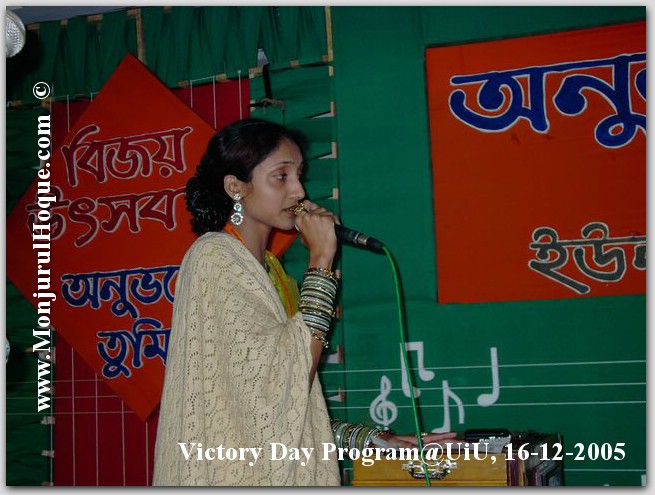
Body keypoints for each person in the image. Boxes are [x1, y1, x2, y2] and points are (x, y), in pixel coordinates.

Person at [153, 118, 456, 486]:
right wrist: (322, 260)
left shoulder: (272, 272)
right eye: (281, 176)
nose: (299, 190)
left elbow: (284, 405)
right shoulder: (213, 258)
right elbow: (276, 391)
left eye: (300, 175)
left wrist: (372, 440)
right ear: (236, 187)